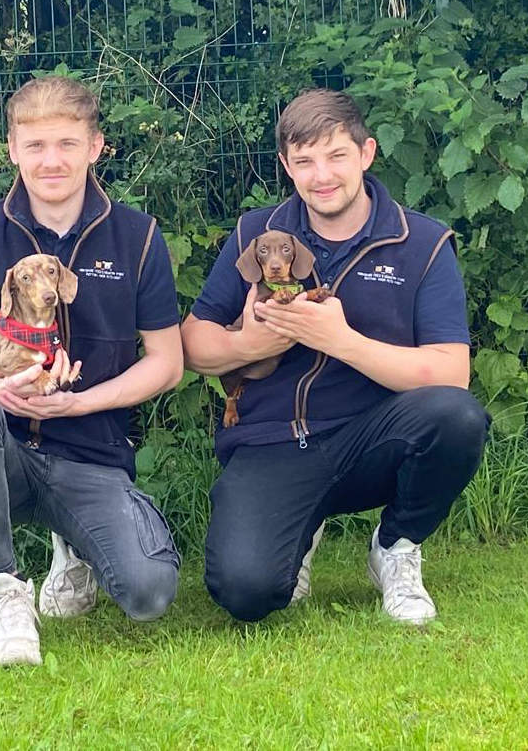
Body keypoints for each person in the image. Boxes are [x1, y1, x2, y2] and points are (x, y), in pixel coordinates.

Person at [0, 76, 184, 667]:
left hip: (93, 456)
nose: (52, 161)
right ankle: (5, 590)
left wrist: (80, 402)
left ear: (96, 147)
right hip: (7, 458)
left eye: (68, 144)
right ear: (12, 150)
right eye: (37, 145)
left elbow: (168, 364)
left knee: (150, 595)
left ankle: (73, 545)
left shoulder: (139, 238)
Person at [181, 88, 489, 625]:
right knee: (246, 591)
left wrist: (340, 340)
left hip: (371, 436)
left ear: (366, 153)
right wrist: (247, 345)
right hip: (272, 441)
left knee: (457, 417)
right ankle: (297, 534)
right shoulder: (255, 233)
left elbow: (450, 372)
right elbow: (192, 341)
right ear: (286, 166)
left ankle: (395, 546)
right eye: (304, 162)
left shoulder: (422, 243)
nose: (321, 175)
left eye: (336, 156)